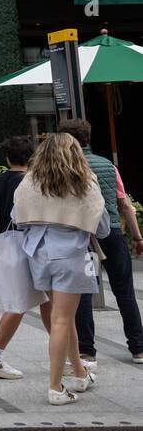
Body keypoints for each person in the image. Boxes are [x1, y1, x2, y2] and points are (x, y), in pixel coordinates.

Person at [14, 133, 109, 405]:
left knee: (61, 317)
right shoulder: (85, 182)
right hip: (71, 255)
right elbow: (101, 229)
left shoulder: (30, 181)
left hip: (38, 256)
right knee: (62, 320)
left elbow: (17, 220)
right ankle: (56, 388)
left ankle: (79, 374)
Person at [59, 119, 143, 364]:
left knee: (83, 292)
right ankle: (138, 347)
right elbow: (124, 203)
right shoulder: (107, 164)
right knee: (124, 291)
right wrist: (137, 236)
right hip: (112, 233)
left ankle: (87, 350)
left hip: (80, 236)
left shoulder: (63, 167)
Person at [0, 135, 49, 380]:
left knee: (43, 299)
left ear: (7, 157)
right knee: (22, 303)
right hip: (31, 245)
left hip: (5, 245)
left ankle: (64, 353)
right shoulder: (34, 180)